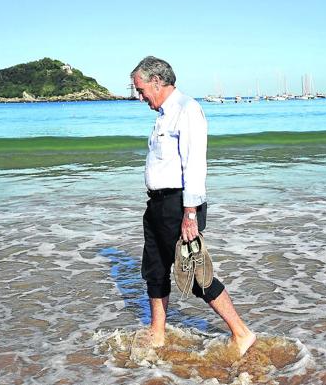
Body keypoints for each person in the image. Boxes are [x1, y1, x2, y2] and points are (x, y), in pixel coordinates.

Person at [130, 56, 256, 356]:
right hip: (157, 204)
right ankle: (157, 333)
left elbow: (195, 166)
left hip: (179, 205)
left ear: (157, 81)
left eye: (140, 89)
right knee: (155, 270)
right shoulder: (162, 114)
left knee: (196, 275)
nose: (139, 96)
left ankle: (242, 333)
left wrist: (189, 215)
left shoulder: (187, 110)